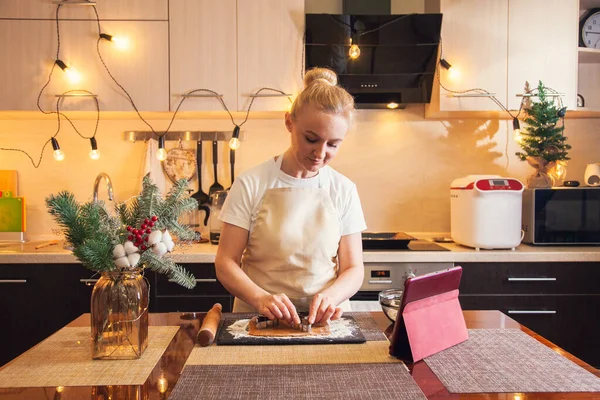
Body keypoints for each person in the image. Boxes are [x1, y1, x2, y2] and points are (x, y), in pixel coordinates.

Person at [215, 67, 366, 327]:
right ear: (289, 122)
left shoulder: (343, 189)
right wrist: (261, 298)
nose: (320, 153)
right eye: (311, 139)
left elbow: (353, 268)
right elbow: (225, 262)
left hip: (325, 323)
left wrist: (332, 296)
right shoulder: (251, 183)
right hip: (258, 318)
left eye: (333, 144)